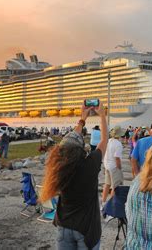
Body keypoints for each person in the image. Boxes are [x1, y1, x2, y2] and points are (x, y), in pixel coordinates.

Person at [40, 104, 108, 250]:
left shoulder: (57, 169)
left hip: (64, 226)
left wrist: (82, 120)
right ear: (79, 150)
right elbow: (104, 141)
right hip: (86, 230)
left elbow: (70, 143)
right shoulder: (89, 165)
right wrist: (102, 115)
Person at [101, 126, 125, 204]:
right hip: (114, 167)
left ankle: (103, 202)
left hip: (107, 165)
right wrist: (120, 168)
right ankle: (110, 206)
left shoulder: (108, 141)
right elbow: (117, 158)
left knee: (107, 184)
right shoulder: (118, 144)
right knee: (115, 187)